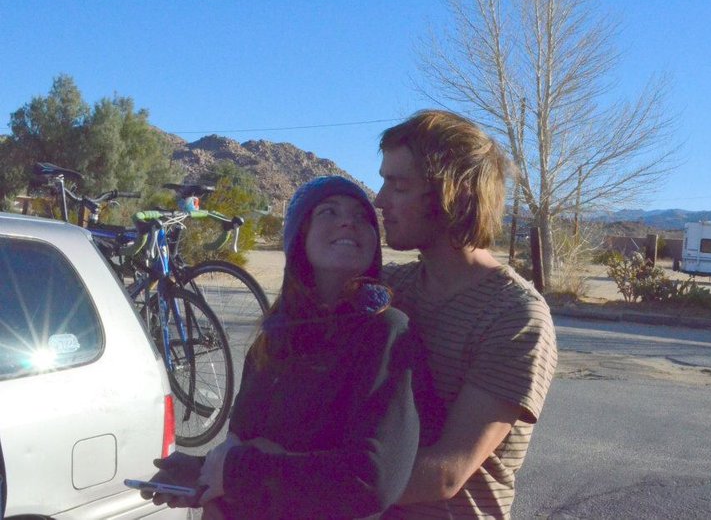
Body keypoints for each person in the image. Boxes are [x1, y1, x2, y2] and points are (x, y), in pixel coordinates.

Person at [144, 176, 433, 519]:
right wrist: (203, 472)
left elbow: (371, 481)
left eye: (362, 217)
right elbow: (244, 446)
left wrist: (235, 472)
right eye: (329, 211)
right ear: (300, 237)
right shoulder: (274, 337)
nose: (348, 221)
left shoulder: (385, 332)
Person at [374, 110, 559, 518]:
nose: (380, 200)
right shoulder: (389, 286)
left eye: (398, 185)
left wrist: (292, 483)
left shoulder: (515, 316)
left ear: (451, 195)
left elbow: (444, 474)